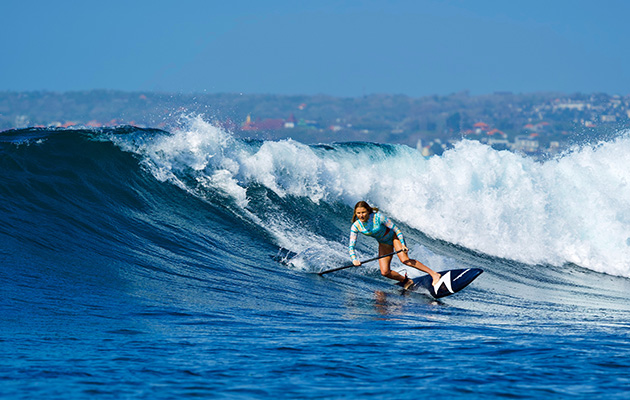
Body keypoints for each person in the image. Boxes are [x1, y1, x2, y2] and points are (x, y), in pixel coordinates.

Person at [348, 201, 441, 290]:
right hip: (384, 243)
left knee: (405, 260)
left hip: (394, 237)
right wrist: (354, 260)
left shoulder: (378, 217)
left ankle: (434, 274)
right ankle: (406, 280)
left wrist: (403, 245)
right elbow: (351, 246)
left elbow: (397, 230)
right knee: (385, 272)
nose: (361, 215)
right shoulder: (356, 226)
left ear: (368, 211)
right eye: (358, 213)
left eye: (363, 212)